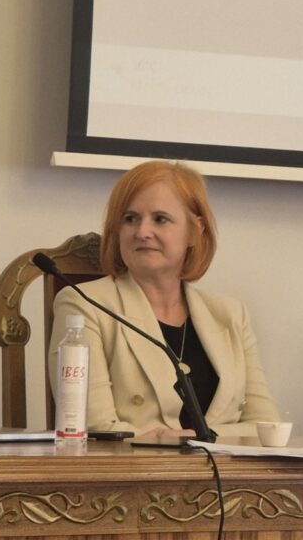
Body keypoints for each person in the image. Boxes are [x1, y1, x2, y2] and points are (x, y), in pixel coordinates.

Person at [48, 160, 280, 437]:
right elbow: (93, 428)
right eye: (130, 218)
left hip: (223, 466)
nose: (142, 232)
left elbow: (267, 428)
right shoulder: (84, 304)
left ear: (195, 231)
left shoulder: (230, 314)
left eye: (160, 219)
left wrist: (191, 438)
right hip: (132, 465)